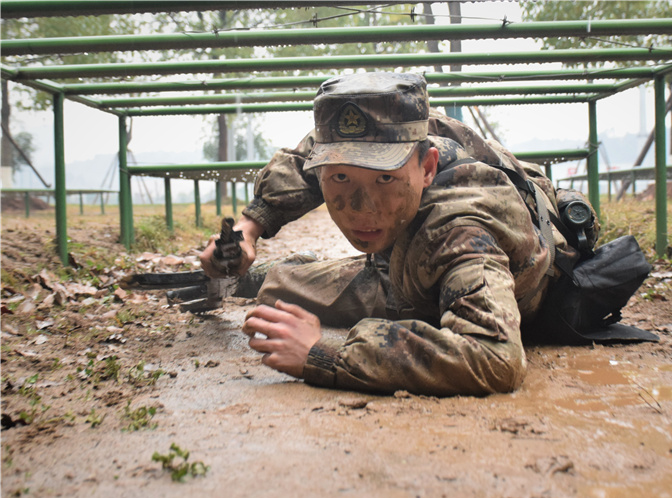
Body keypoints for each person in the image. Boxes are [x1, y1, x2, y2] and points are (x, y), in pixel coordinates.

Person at [199, 71, 596, 397]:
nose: (361, 209)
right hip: (406, 259)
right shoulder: (402, 125)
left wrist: (324, 353)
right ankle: (245, 274)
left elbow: (494, 356)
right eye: (340, 177)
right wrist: (248, 229)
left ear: (427, 167)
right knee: (281, 284)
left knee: (297, 293)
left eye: (385, 178)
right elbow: (309, 153)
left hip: (458, 276)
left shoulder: (460, 234)